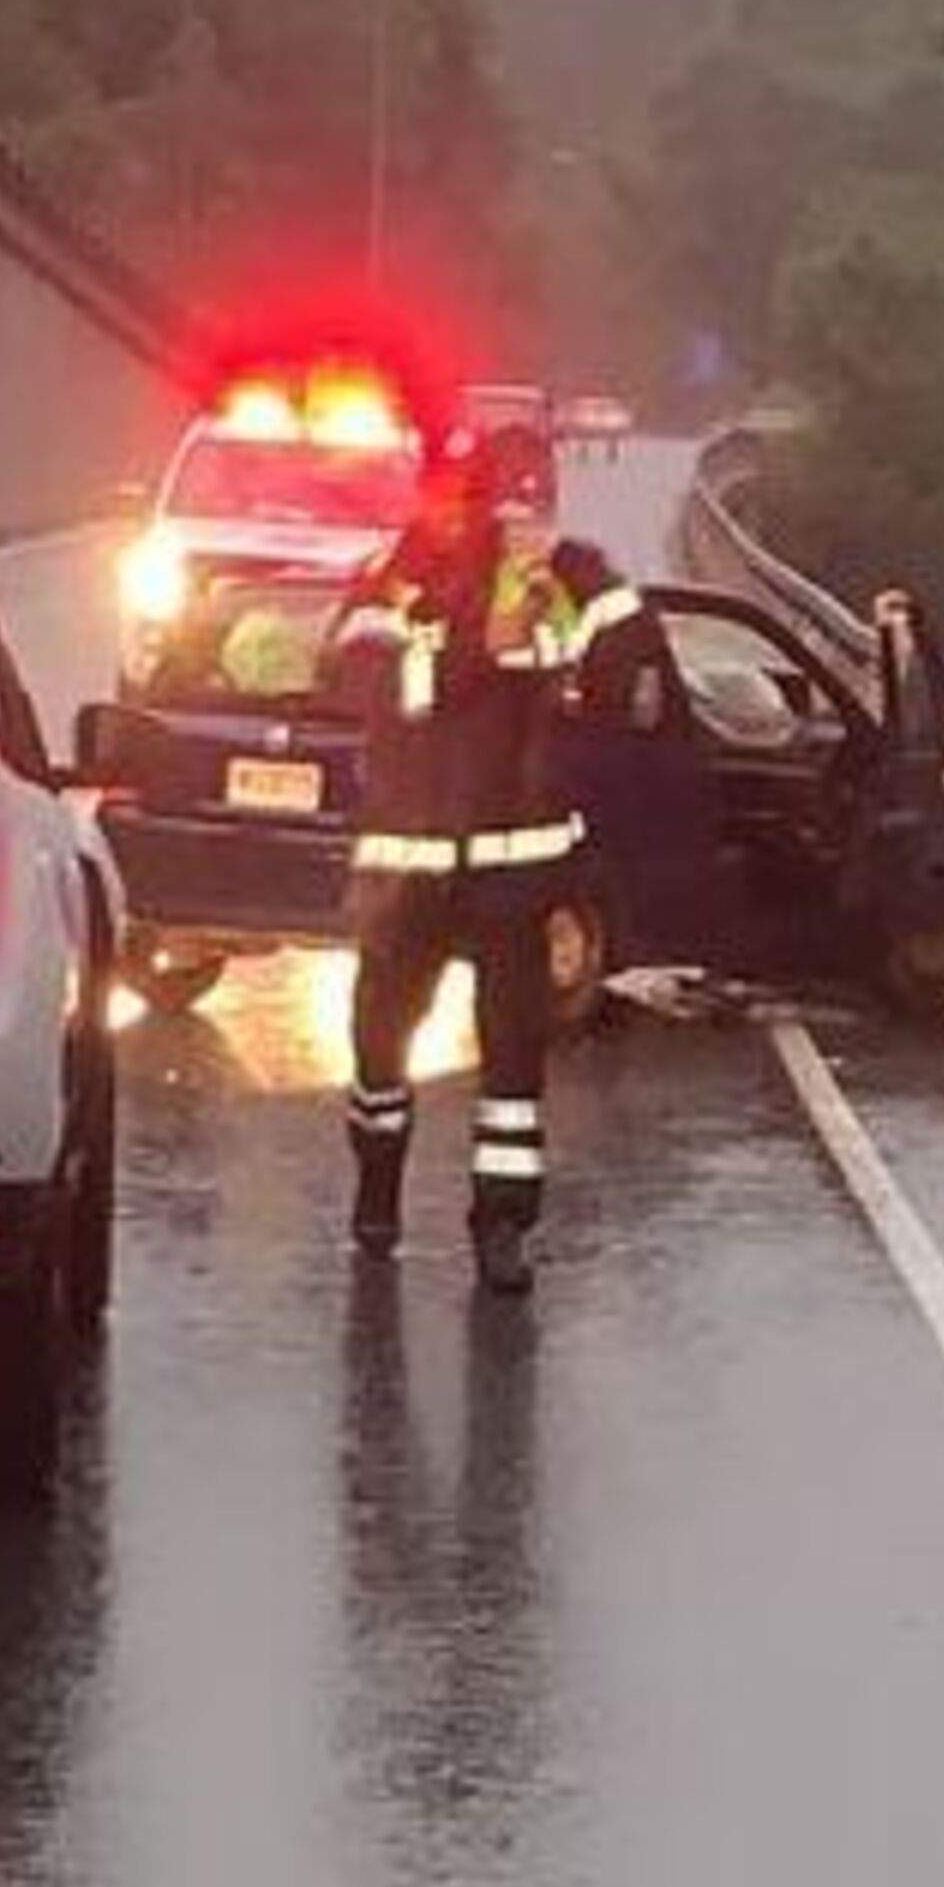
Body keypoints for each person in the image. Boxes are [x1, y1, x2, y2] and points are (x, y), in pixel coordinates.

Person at [328, 429, 647, 1296]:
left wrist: (564, 606)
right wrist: (475, 642)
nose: (516, 517)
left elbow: (625, 670)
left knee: (513, 1058)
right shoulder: (402, 576)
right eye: (501, 498)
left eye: (533, 499)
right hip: (410, 864)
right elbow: (356, 669)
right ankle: (377, 1186)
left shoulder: (567, 577)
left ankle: (502, 1226)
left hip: (516, 866)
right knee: (379, 1039)